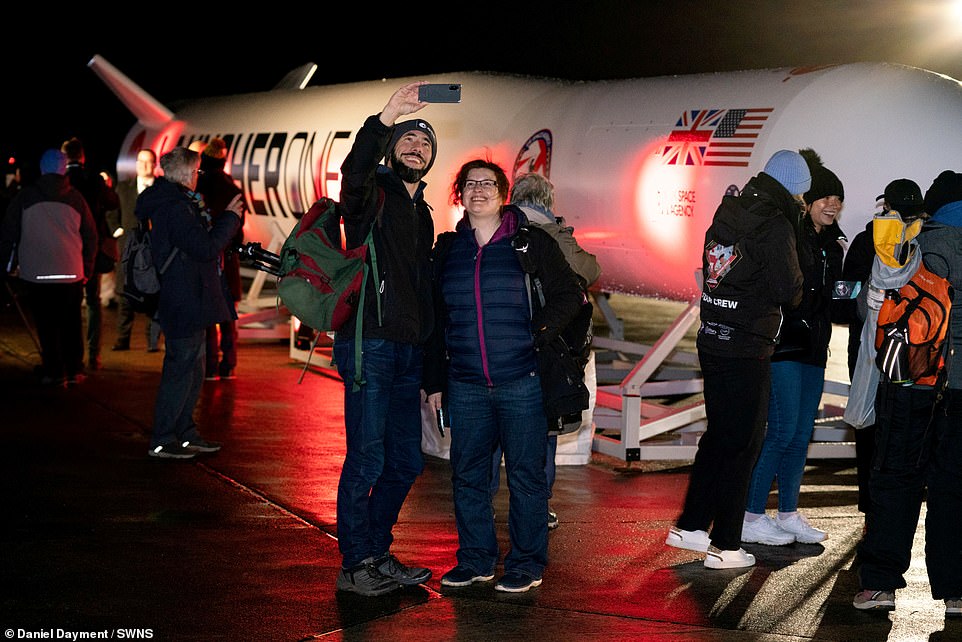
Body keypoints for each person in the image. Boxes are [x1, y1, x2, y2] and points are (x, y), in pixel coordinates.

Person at [424, 159, 583, 593]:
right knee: (469, 476)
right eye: (469, 184)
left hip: (522, 383)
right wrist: (436, 380)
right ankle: (476, 559)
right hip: (466, 385)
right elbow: (435, 321)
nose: (478, 191)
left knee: (527, 478)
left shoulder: (530, 244)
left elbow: (571, 294)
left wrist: (539, 332)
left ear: (503, 191)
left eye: (487, 184)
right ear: (459, 193)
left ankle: (526, 564)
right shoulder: (447, 251)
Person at [665, 149, 805, 569]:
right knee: (744, 444)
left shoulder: (729, 210)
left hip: (712, 338)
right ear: (795, 190)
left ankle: (690, 525)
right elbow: (787, 288)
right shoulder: (776, 225)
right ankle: (726, 545)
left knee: (720, 435)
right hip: (747, 345)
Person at [331, 82, 438, 596]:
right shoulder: (370, 194)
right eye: (408, 140)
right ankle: (355, 565)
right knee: (367, 458)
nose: (416, 147)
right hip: (368, 344)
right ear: (392, 148)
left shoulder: (423, 213)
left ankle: (374, 550)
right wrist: (386, 117)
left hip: (407, 352)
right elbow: (352, 173)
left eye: (425, 143)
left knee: (405, 461)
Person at [852, 170, 962, 614]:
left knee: (896, 480)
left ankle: (879, 585)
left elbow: (873, 305)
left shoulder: (914, 242)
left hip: (912, 380)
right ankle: (956, 591)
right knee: (954, 487)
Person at [741, 149, 845, 547]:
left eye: (838, 197)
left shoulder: (834, 245)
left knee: (801, 434)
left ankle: (787, 513)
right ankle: (751, 515)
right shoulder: (789, 234)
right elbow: (790, 291)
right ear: (806, 201)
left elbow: (834, 297)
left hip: (816, 347)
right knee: (781, 432)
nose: (832, 203)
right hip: (785, 346)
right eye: (824, 196)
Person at [489, 172, 601, 530]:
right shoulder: (551, 235)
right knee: (543, 435)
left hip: (499, 344)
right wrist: (561, 230)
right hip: (547, 348)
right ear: (547, 202)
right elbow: (589, 270)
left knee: (491, 436)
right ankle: (538, 509)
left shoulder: (494, 228)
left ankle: (484, 503)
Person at [141, 147, 242, 460]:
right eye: (197, 171)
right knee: (180, 369)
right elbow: (205, 247)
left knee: (193, 370)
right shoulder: (175, 207)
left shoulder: (178, 203)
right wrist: (230, 219)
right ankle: (163, 438)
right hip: (182, 298)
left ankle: (184, 433)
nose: (200, 176)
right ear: (186, 173)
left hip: (190, 297)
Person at [839, 180, 924, 524]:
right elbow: (843, 298)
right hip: (889, 353)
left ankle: (876, 509)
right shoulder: (873, 241)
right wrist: (867, 299)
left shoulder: (910, 242)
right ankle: (879, 510)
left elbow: (841, 299)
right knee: (884, 430)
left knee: (876, 431)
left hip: (878, 353)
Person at [0, 149, 97, 386]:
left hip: (37, 272)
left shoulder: (25, 197)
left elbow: (9, 233)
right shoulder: (76, 198)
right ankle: (75, 369)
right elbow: (91, 235)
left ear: (42, 169)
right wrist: (86, 267)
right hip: (71, 272)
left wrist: (7, 266)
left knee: (47, 324)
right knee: (71, 323)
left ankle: (54, 371)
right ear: (64, 169)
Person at [62, 137, 120, 372]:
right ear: (82, 156)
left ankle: (71, 356)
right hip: (92, 247)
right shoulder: (93, 179)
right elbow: (113, 202)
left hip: (67, 247)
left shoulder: (61, 181)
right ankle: (93, 354)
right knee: (93, 302)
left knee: (72, 303)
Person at [193, 138, 245, 381]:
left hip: (206, 257)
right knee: (227, 315)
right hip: (228, 257)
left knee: (208, 315)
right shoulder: (231, 188)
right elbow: (239, 227)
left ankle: (211, 366)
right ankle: (230, 363)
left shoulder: (197, 187)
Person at [112, 148, 163, 352]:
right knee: (125, 297)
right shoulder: (123, 188)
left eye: (148, 161)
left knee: (154, 298)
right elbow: (112, 212)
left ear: (154, 164)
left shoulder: (163, 189)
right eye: (140, 161)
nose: (143, 165)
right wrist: (116, 229)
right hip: (128, 251)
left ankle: (152, 342)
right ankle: (122, 340)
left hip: (155, 253)